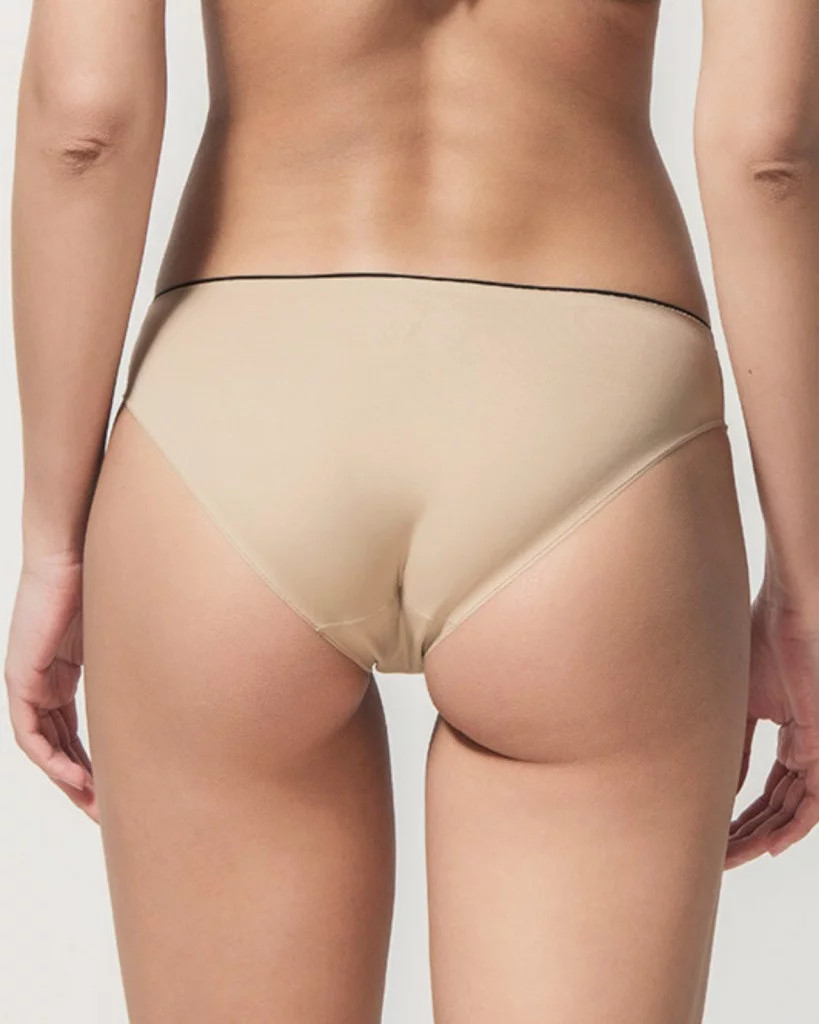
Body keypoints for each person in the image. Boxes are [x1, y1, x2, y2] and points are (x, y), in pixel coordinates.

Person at [4, 0, 819, 1020]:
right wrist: (803, 588)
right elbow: (768, 151)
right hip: (592, 411)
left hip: (237, 401)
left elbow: (84, 120)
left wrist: (53, 545)